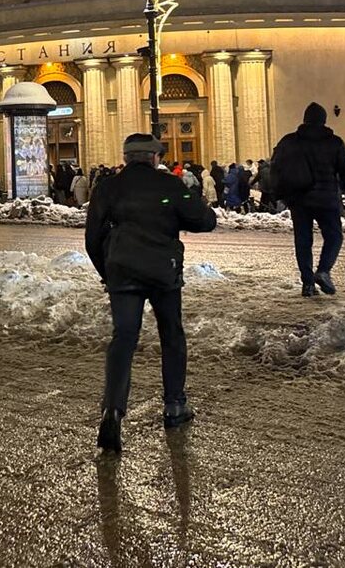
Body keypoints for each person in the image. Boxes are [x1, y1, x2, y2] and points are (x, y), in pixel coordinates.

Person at [85, 133, 217, 454]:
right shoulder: (169, 185)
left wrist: (108, 271)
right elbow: (204, 221)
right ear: (154, 157)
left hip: (123, 272)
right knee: (171, 334)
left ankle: (113, 410)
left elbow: (92, 238)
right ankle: (174, 406)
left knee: (124, 338)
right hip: (162, 272)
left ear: (127, 157)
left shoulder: (108, 187)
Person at [270, 102, 345, 297]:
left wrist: (280, 193)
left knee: (303, 241)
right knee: (334, 236)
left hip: (299, 199)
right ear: (324, 121)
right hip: (326, 198)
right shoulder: (334, 142)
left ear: (305, 119)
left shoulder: (290, 141)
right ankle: (324, 270)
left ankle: (308, 283)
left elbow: (276, 167)